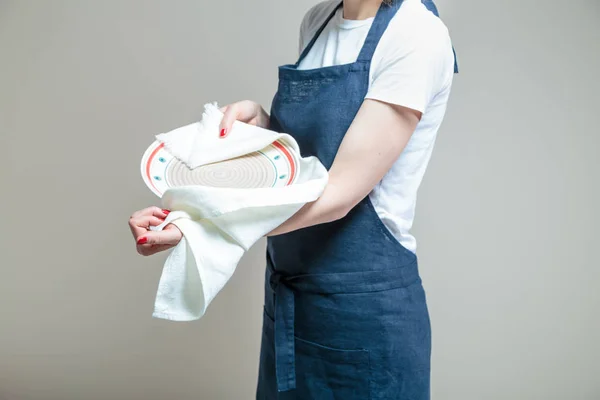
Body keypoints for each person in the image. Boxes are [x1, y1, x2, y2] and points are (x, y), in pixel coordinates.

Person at [128, 0, 457, 397]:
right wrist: (262, 125)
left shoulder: (415, 34)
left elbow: (338, 193)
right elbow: (310, 166)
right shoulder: (319, 21)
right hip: (291, 302)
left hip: (363, 313)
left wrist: (199, 227)